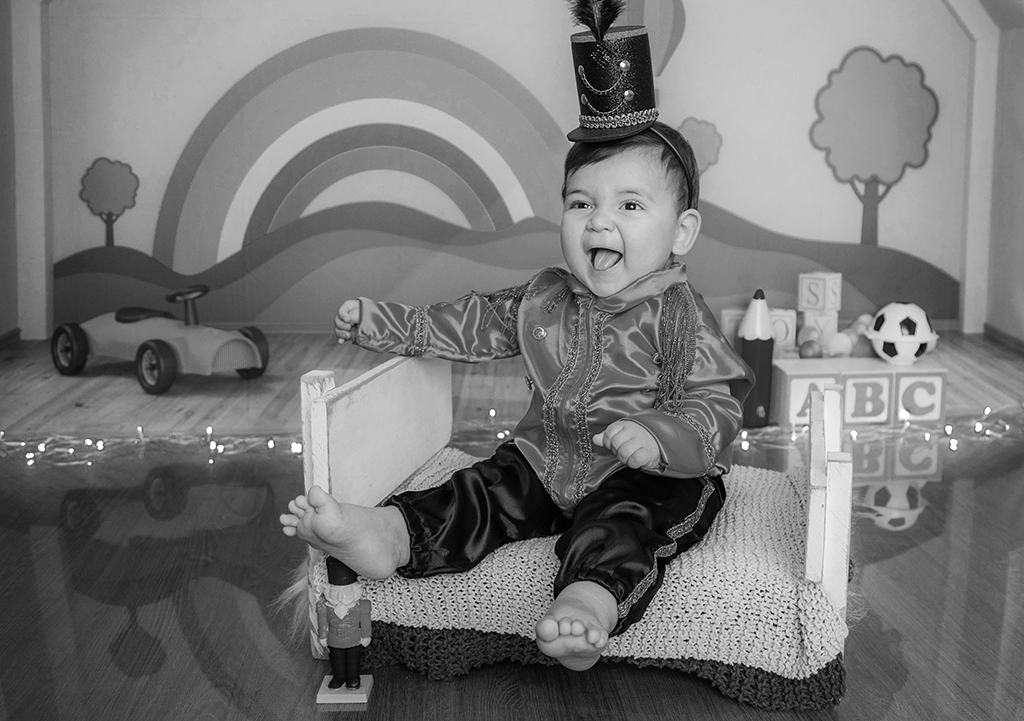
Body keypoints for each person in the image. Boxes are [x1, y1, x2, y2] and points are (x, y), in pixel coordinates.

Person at [281, 118, 753, 671]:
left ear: (681, 231)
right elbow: (472, 322)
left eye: (629, 205)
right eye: (581, 203)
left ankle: (589, 599)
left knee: (626, 522)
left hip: (654, 473)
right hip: (548, 461)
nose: (599, 220)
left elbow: (716, 405)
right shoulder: (546, 298)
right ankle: (392, 533)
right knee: (484, 489)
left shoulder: (679, 315)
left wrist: (658, 436)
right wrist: (386, 323)